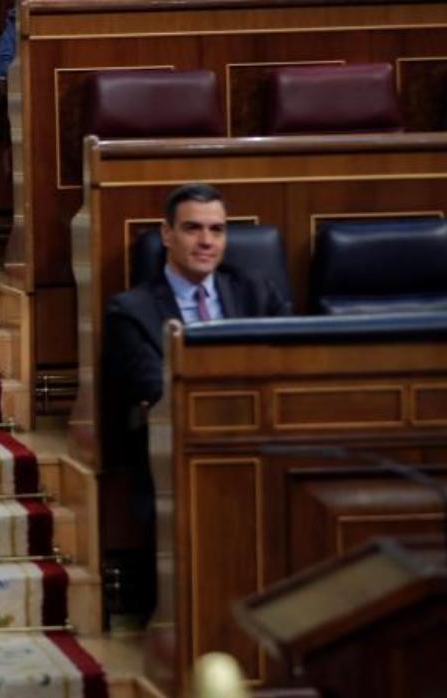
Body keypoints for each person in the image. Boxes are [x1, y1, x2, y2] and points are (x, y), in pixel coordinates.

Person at [100, 183, 290, 620]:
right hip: (181, 452)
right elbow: (154, 387)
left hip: (263, 438)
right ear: (167, 235)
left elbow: (290, 358)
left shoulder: (258, 292)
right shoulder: (130, 310)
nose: (206, 242)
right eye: (192, 229)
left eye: (217, 230)